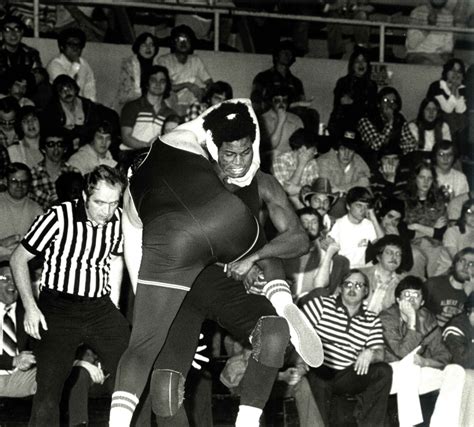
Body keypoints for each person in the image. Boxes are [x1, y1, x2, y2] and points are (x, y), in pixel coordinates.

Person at [110, 100, 323, 427]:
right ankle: (280, 298)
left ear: (255, 148)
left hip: (228, 285)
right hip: (184, 285)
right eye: (229, 155)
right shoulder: (191, 177)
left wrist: (253, 258)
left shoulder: (263, 182)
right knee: (165, 392)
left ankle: (247, 420)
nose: (238, 163)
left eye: (246, 153)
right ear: (213, 150)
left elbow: (299, 238)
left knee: (274, 334)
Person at [10, 165, 131, 426]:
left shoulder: (118, 218)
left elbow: (116, 259)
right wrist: (31, 307)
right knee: (49, 391)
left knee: (132, 372)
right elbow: (18, 258)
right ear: (85, 197)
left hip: (99, 306)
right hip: (59, 308)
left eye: (113, 203)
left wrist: (114, 304)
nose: (106, 211)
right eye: (100, 203)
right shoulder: (57, 216)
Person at [302, 269, 393, 427]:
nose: (352, 289)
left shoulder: (371, 319)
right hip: (319, 366)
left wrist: (371, 353)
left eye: (358, 285)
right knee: (320, 373)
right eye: (348, 284)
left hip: (347, 374)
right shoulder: (321, 304)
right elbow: (297, 331)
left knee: (383, 371)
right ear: (340, 288)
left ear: (366, 291)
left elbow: (381, 353)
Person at [380, 276, 465, 426]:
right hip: (391, 374)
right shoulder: (387, 317)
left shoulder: (427, 318)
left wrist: (426, 361)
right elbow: (401, 353)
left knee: (456, 371)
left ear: (423, 302)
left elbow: (444, 355)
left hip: (418, 373)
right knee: (410, 366)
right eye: (407, 295)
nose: (411, 300)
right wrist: (412, 321)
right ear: (398, 300)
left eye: (416, 295)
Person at [250, 40, 319, 134]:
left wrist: (302, 104)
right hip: (270, 111)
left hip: (292, 113)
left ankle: (308, 144)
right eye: (284, 52)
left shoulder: (296, 82)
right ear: (276, 55)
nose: (288, 55)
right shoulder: (263, 77)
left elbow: (302, 103)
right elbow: (255, 101)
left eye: (290, 53)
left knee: (312, 114)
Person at [41, 74, 119, 151]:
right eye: (62, 90)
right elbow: (52, 134)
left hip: (88, 145)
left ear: (75, 89)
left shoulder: (87, 105)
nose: (67, 92)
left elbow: (102, 121)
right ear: (57, 94)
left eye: (69, 88)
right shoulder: (52, 111)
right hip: (64, 148)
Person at [284, 207, 349, 300]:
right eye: (305, 222)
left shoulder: (324, 251)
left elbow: (320, 286)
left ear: (320, 226)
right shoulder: (285, 248)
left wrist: (329, 254)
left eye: (314, 222)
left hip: (310, 303)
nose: (310, 226)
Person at [119, 65, 176, 162]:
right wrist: (147, 146)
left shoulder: (170, 113)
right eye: (153, 80)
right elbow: (126, 137)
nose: (158, 84)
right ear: (147, 83)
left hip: (156, 159)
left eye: (162, 81)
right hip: (130, 156)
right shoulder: (132, 107)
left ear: (167, 85)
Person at [156, 24, 212, 117]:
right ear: (174, 42)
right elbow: (164, 86)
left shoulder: (195, 60)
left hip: (191, 104)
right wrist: (187, 85)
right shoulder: (164, 60)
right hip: (170, 102)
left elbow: (210, 83)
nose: (183, 43)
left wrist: (203, 91)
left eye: (187, 40)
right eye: (180, 39)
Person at [358, 86, 417, 168]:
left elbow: (411, 146)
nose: (389, 104)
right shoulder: (366, 120)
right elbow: (375, 145)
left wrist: (396, 147)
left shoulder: (400, 119)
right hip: (372, 165)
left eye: (393, 101)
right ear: (378, 104)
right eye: (385, 101)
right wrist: (390, 123)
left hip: (396, 163)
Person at [316, 130, 371, 216]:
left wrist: (341, 189)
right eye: (343, 149)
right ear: (337, 149)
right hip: (328, 204)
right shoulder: (324, 161)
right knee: (339, 204)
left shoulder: (358, 160)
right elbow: (329, 191)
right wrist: (356, 184)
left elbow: (366, 185)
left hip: (353, 203)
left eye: (351, 150)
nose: (346, 154)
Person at [327, 47, 377, 139]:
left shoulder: (371, 85)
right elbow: (339, 105)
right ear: (352, 65)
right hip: (343, 123)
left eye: (364, 61)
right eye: (357, 61)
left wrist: (353, 102)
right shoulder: (343, 82)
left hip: (363, 126)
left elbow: (371, 108)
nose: (361, 64)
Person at [328, 186, 382, 268]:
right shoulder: (338, 225)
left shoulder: (368, 224)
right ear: (348, 206)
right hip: (343, 269)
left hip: (361, 269)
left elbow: (383, 243)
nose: (363, 210)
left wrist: (373, 218)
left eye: (366, 206)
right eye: (359, 206)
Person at [0, 163, 42, 261]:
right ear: (6, 182)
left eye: (24, 182)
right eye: (14, 181)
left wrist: (17, 239)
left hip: (24, 263)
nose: (20, 185)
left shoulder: (35, 208)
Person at [423, 247, 474, 328]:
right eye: (462, 261)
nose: (466, 266)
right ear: (454, 263)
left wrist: (468, 296)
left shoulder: (472, 294)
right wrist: (433, 321)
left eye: (471, 264)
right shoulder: (433, 284)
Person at [30, 128, 78, 211]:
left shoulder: (73, 172)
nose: (56, 149)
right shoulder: (33, 174)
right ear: (43, 149)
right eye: (51, 144)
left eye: (60, 144)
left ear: (65, 149)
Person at [362, 234, 410, 314]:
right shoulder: (361, 275)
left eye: (398, 254)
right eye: (389, 253)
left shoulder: (404, 283)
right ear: (378, 256)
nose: (394, 257)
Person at [272, 128, 319, 209]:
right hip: (283, 205)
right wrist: (301, 165)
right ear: (303, 149)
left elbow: (313, 192)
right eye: (314, 149)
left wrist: (296, 189)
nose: (316, 153)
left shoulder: (312, 163)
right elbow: (286, 192)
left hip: (305, 203)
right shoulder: (280, 160)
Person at [46, 27, 96, 101]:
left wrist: (92, 105)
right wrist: (75, 64)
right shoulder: (54, 64)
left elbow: (90, 86)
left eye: (78, 45)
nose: (75, 48)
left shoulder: (84, 63)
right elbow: (66, 87)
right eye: (71, 44)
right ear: (62, 47)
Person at [260, 85, 304, 167]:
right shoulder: (263, 119)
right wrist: (281, 121)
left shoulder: (296, 119)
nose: (281, 104)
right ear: (271, 102)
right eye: (277, 101)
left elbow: (301, 146)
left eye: (284, 100)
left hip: (291, 162)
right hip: (271, 163)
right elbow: (271, 145)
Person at [116, 32, 160, 111]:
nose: (148, 48)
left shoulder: (158, 66)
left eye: (151, 45)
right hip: (129, 105)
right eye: (144, 45)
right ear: (138, 47)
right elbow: (123, 95)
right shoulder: (128, 65)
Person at [426, 58, 467, 142]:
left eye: (459, 71)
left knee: (463, 119)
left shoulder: (463, 89)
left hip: (457, 125)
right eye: (452, 70)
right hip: (438, 120)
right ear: (446, 72)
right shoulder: (437, 86)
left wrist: (456, 90)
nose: (456, 74)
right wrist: (453, 89)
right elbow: (447, 109)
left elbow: (461, 110)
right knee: (450, 118)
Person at [405, 0, 454, 65]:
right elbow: (412, 44)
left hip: (438, 57)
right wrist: (428, 27)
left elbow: (448, 46)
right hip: (417, 54)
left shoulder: (448, 16)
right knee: (427, 63)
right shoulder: (417, 12)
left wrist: (446, 54)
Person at [0, 14, 42, 80]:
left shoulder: (31, 53)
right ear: (2, 33)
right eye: (8, 30)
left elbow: (39, 74)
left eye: (17, 29)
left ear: (22, 32)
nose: (13, 34)